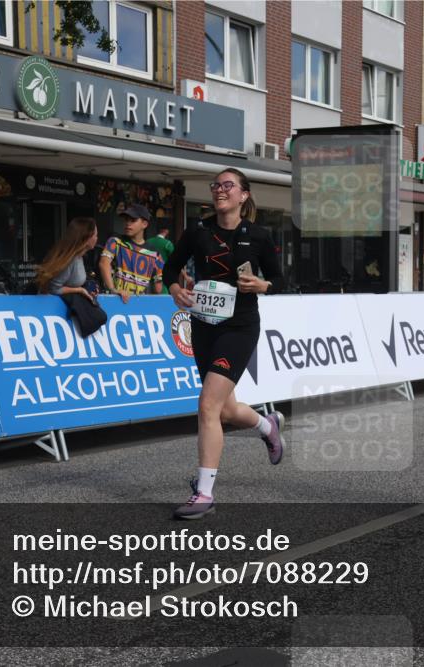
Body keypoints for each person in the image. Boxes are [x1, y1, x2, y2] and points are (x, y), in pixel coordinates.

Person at [162, 168, 286, 520]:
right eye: (216, 185)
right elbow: (170, 270)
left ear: (244, 195)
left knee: (207, 405)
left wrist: (262, 286)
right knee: (225, 410)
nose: (220, 190)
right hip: (203, 327)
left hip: (240, 328)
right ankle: (267, 426)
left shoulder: (258, 236)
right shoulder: (198, 232)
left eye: (228, 185)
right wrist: (175, 289)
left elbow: (280, 279)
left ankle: (204, 493)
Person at [98, 204, 165, 302]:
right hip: (115, 301)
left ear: (145, 224)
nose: (128, 223)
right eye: (126, 220)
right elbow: (104, 264)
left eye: (133, 220)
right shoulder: (115, 241)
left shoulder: (155, 254)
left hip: (139, 305)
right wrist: (113, 290)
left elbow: (158, 288)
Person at [34, 217, 99, 300]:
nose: (97, 238)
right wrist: (80, 290)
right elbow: (54, 289)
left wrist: (86, 289)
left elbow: (71, 283)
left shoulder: (79, 257)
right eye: (95, 235)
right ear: (87, 238)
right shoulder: (71, 260)